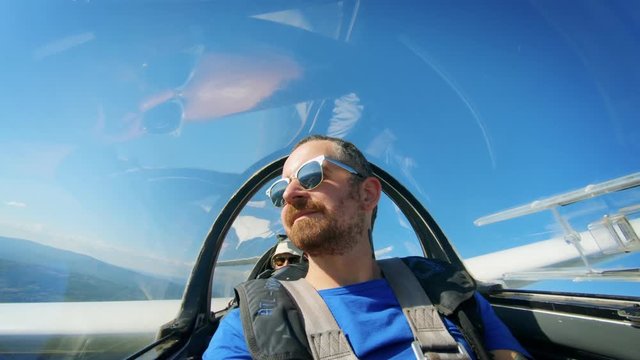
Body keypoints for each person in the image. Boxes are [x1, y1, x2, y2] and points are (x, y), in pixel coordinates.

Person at [203, 135, 531, 360]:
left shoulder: (447, 291)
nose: (289, 195)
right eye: (280, 190)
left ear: (368, 195)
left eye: (311, 175)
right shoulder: (251, 326)